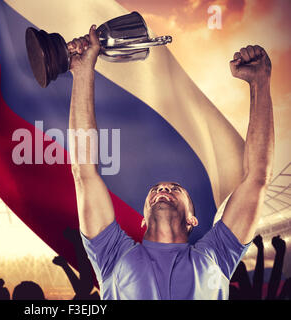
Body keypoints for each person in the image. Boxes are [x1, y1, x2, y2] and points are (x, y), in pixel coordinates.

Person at [68, 25, 274, 299]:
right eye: (156, 189)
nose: (162, 188)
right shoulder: (111, 254)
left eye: (175, 188)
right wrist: (82, 73)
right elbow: (84, 172)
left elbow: (257, 179)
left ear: (192, 219)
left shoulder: (219, 254)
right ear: (142, 219)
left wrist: (260, 82)